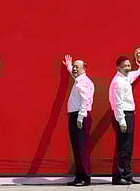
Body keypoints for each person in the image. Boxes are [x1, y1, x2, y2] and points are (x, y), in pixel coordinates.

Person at [108, 55, 140, 185]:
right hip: (123, 115)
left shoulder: (125, 78)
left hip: (129, 114)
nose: (128, 68)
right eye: (125, 66)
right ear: (118, 67)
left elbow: (131, 76)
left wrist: (139, 71)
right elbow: (117, 103)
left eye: (129, 65)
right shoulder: (118, 82)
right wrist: (122, 121)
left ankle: (127, 175)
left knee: (128, 147)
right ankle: (118, 177)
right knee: (123, 148)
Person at [63, 55, 95, 187]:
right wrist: (69, 66)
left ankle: (85, 178)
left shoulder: (83, 82)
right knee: (77, 148)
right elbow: (74, 74)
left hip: (80, 117)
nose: (74, 69)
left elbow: (85, 100)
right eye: (74, 67)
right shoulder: (79, 80)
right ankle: (79, 176)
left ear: (84, 68)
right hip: (76, 116)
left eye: (77, 67)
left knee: (81, 149)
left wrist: (80, 117)